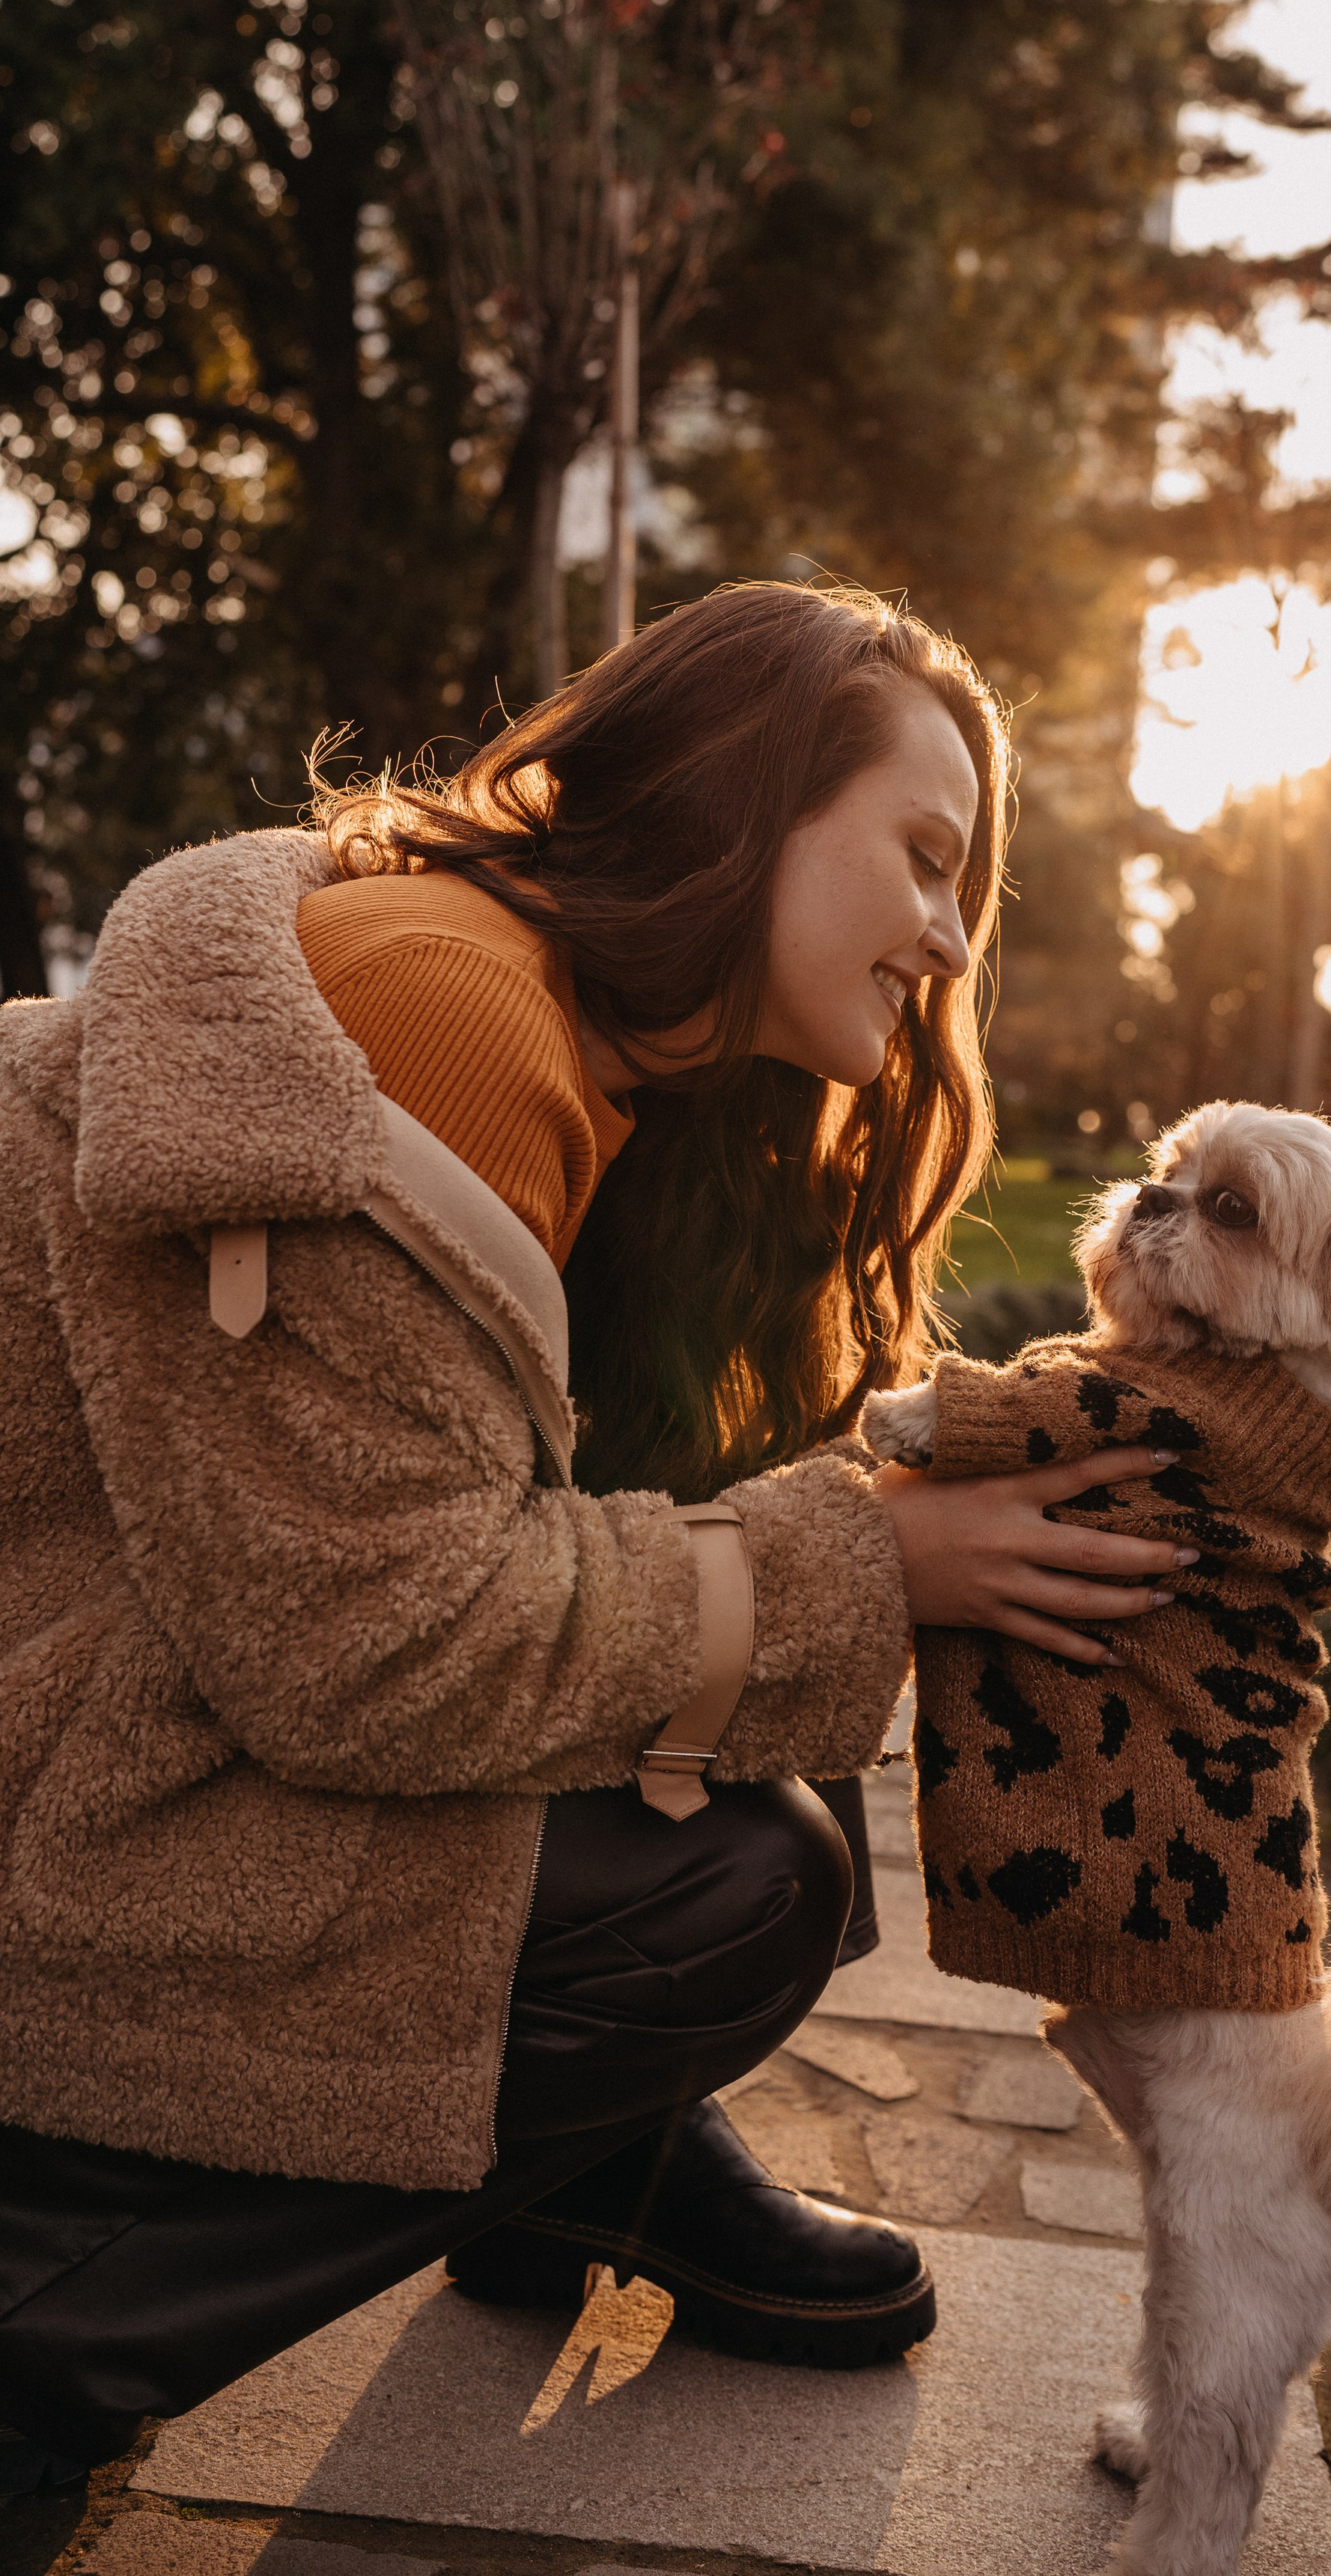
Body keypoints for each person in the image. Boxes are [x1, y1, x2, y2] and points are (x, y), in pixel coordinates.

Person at [0, 581, 1187, 2487]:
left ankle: (575, 2170)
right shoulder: (450, 1013)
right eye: (923, 856)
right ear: (742, 801)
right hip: (58, 1754)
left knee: (725, 1710)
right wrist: (874, 1563)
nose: (951, 937)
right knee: (732, 1888)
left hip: (105, 1687)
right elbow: (366, 1642)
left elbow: (530, 1535)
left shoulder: (608, 1060)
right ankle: (41, 2313)